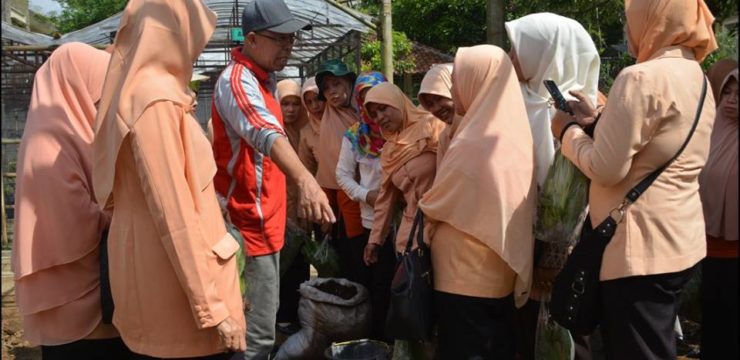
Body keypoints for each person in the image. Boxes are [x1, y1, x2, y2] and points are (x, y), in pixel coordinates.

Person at [550, 0, 717, 358]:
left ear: (652, 19)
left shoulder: (640, 77)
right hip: (679, 240)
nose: (627, 30)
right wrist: (597, 122)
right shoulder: (697, 77)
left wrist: (566, 132)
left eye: (630, 20)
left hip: (638, 247)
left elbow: (607, 169)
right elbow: (657, 143)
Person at [92, 0, 246, 358]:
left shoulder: (140, 94)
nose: (198, 45)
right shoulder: (154, 101)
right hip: (178, 302)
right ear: (172, 33)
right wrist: (213, 309)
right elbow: (174, 215)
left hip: (160, 280)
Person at [209, 0, 335, 358]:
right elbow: (263, 131)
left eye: (291, 39)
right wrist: (306, 182)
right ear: (251, 39)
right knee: (256, 340)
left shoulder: (265, 81)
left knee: (257, 328)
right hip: (251, 226)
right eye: (278, 39)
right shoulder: (237, 80)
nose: (287, 47)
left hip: (269, 224)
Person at [11, 42, 129, 360]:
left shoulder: (76, 131)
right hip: (73, 298)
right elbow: (69, 218)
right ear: (77, 82)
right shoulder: (49, 140)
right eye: (99, 83)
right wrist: (123, 214)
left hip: (94, 292)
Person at [418, 44, 536, 360]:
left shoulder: (474, 140)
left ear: (476, 80)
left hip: (463, 276)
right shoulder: (514, 132)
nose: (454, 86)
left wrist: (423, 205)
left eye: (458, 77)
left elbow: (436, 202)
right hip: (498, 269)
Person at [505, 13, 601, 360]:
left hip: (574, 243)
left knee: (571, 326)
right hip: (521, 236)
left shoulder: (593, 109)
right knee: (526, 329)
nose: (511, 58)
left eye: (518, 50)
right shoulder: (514, 101)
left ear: (546, 53)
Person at [335, 71, 395, 340]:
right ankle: (379, 340)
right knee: (378, 284)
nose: (375, 109)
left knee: (402, 282)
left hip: (404, 221)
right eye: (367, 100)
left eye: (381, 101)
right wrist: (365, 195)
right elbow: (342, 175)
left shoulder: (401, 130)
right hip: (372, 222)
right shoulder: (354, 136)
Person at [362, 82, 445, 264]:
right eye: (374, 115)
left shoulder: (433, 127)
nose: (380, 117)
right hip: (411, 235)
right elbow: (386, 197)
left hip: (443, 226)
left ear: (397, 102)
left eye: (383, 109)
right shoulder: (388, 150)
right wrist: (374, 240)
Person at [699, 64, 738, 360]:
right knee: (712, 313)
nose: (732, 99)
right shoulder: (710, 128)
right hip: (708, 243)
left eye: (739, 94)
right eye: (728, 91)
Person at [315, 59, 365, 275]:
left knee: (356, 241)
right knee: (333, 241)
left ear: (348, 82)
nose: (332, 92)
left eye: (336, 84)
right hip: (326, 187)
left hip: (355, 187)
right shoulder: (323, 114)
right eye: (326, 88)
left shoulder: (363, 114)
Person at [275, 79, 311, 334]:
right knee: (279, 265)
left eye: (295, 104)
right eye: (285, 103)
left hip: (303, 209)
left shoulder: (307, 130)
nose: (291, 110)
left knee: (300, 263)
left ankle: (298, 312)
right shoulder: (270, 132)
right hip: (276, 210)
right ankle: (282, 315)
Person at [416, 63, 456, 168]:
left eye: (439, 98)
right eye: (430, 105)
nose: (436, 108)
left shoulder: (483, 127)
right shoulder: (445, 137)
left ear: (456, 91)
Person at [298, 77, 325, 177]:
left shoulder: (342, 123)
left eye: (318, 99)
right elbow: (307, 169)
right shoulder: (306, 132)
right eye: (309, 102)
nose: (314, 106)